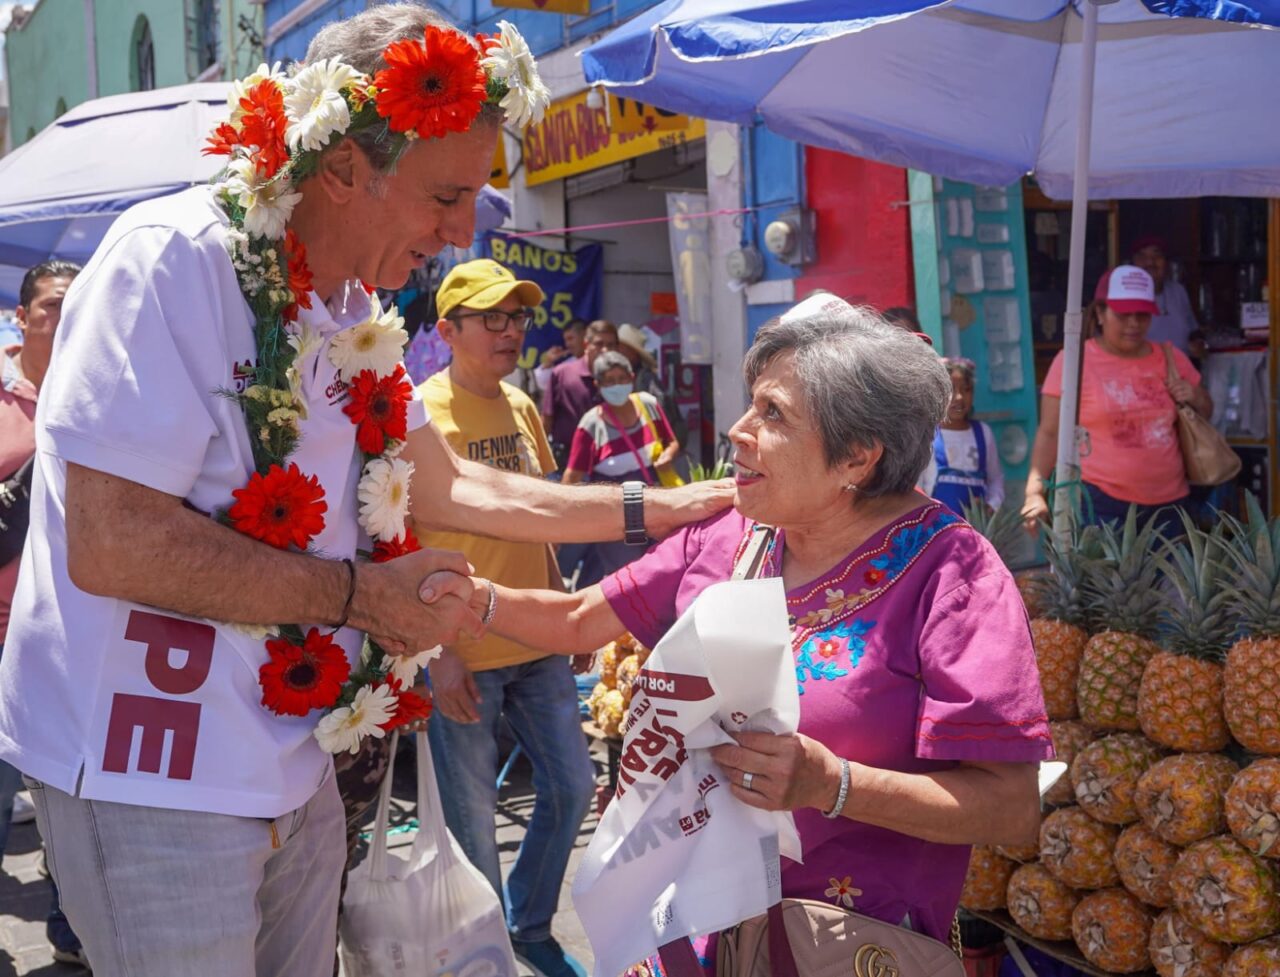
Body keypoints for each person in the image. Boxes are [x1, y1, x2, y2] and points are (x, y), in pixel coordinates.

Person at [0, 8, 730, 976]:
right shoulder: (174, 259)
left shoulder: (346, 306)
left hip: (286, 762)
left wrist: (661, 507)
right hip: (151, 766)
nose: (463, 229)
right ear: (340, 165)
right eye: (445, 194)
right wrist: (358, 600)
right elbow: (116, 542)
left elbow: (454, 481)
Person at [471, 295, 1049, 971]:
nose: (738, 429)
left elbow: (1010, 807)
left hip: (832, 946)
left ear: (856, 457)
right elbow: (575, 619)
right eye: (751, 403)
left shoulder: (952, 572)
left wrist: (830, 782)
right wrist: (465, 599)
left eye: (772, 413)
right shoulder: (732, 531)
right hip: (675, 932)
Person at [415, 258, 595, 977]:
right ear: (447, 329)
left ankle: (529, 922)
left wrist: (564, 609)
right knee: (474, 828)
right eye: (491, 317)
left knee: (573, 785)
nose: (509, 330)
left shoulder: (522, 404)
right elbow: (399, 535)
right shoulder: (420, 411)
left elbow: (536, 514)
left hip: (536, 638)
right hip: (463, 651)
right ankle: (487, 956)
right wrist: (437, 650)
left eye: (516, 316)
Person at [0, 260, 88, 969]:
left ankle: (71, 928)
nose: (64, 316)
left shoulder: (102, 386)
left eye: (76, 303)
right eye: (53, 304)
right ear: (23, 315)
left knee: (74, 797)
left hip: (78, 635)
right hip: (1, 635)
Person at [1022, 265, 1213, 538]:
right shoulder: (1074, 361)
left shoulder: (1171, 358)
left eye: (1142, 315)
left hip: (1171, 505)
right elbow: (1050, 432)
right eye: (1123, 315)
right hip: (1103, 505)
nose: (1134, 324)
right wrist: (1034, 491)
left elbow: (1207, 412)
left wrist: (1195, 396)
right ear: (1100, 313)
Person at [919, 358, 1005, 515]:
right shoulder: (927, 436)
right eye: (951, 390)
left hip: (976, 531)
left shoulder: (983, 433)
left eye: (966, 389)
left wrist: (992, 505)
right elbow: (918, 487)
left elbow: (995, 480)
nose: (959, 397)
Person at [541, 319, 618, 468]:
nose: (605, 350)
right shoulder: (563, 374)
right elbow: (547, 419)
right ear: (586, 345)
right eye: (599, 344)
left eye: (611, 345)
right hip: (568, 462)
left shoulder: (620, 377)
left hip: (609, 461)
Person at [1131, 235, 1199, 355]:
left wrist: (1200, 343)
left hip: (1181, 370)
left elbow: (1193, 332)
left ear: (1166, 262)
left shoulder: (1177, 291)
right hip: (1143, 371)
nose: (1150, 262)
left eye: (1157, 256)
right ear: (1133, 263)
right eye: (1142, 256)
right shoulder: (1125, 296)